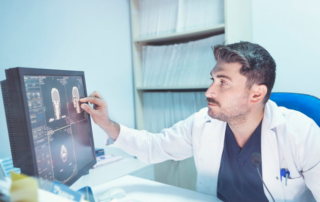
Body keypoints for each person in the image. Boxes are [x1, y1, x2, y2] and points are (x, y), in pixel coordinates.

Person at [80, 42, 320, 202]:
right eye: (212, 79)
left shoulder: (301, 134)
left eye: (223, 82)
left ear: (256, 94)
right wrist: (107, 123)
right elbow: (154, 147)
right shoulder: (202, 123)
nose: (209, 91)